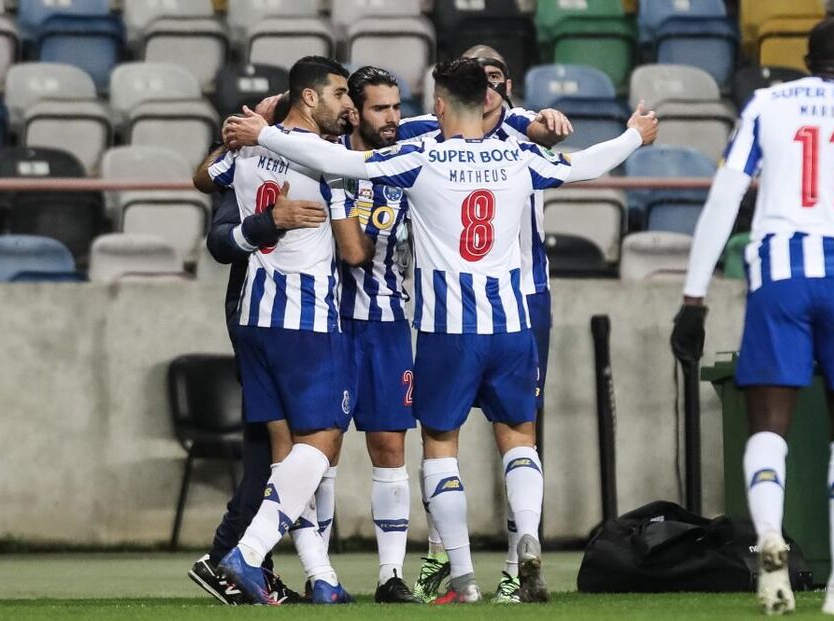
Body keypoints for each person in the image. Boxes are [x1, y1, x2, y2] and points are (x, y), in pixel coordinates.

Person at [225, 57, 657, 604]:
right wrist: (635, 135)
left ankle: (465, 578)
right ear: (489, 102)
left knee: (438, 445)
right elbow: (586, 164)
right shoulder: (521, 156)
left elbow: (336, 161)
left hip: (447, 329)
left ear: (441, 105)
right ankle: (525, 538)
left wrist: (264, 132)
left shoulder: (421, 156)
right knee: (520, 437)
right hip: (513, 324)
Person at [670, 18, 834, 616]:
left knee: (768, 423)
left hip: (780, 278)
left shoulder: (768, 102)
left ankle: (769, 534)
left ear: (808, 61)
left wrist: (694, 297)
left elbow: (724, 196)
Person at [193, 55, 373, 605]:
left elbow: (202, 177)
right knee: (322, 442)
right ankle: (246, 554)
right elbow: (352, 252)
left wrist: (243, 134)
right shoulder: (330, 157)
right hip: (306, 320)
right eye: (341, 94)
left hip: (253, 316)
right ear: (310, 98)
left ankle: (321, 579)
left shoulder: (250, 146)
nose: (349, 105)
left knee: (285, 454)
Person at [397, 44, 571, 604]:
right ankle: (445, 557)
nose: (489, 87)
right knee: (488, 434)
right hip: (496, 307)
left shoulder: (526, 133)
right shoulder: (433, 129)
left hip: (521, 299)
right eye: (480, 79)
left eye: (497, 77)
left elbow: (541, 125)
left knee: (495, 431)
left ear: (508, 86)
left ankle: (499, 568)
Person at [187, 96, 327, 606]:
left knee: (278, 445)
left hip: (312, 316)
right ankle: (232, 556)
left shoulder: (330, 154)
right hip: (264, 313)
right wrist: (269, 218)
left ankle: (250, 561)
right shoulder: (253, 161)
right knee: (273, 445)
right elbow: (221, 236)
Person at [330, 66, 419, 603]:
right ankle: (321, 573)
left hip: (387, 321)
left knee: (389, 446)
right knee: (324, 449)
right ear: (354, 111)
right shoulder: (323, 156)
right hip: (328, 323)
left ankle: (390, 576)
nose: (393, 118)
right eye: (380, 108)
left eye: (396, 107)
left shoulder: (408, 157)